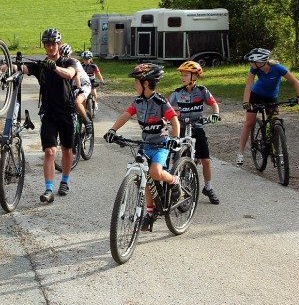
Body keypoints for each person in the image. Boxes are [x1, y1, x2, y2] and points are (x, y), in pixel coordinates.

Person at [104, 63, 181, 232]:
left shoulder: (160, 101)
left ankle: (175, 182)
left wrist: (174, 138)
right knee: (145, 176)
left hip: (161, 144)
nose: (134, 85)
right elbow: (126, 114)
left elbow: (174, 119)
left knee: (155, 172)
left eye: (136, 82)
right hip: (145, 145)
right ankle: (150, 213)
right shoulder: (138, 101)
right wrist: (112, 130)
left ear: (145, 83)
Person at [20, 28, 77, 203]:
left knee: (67, 149)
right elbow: (22, 68)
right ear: (44, 46)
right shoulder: (41, 66)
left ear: (59, 45)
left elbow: (70, 74)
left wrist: (56, 67)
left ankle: (65, 181)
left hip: (67, 112)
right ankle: (49, 189)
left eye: (54, 44)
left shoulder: (69, 61)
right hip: (49, 114)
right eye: (47, 44)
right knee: (49, 152)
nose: (51, 47)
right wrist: (5, 65)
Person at [237, 48, 299, 165]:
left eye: (251, 61)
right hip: (256, 95)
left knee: (276, 121)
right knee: (249, 122)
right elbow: (249, 85)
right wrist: (246, 102)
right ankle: (240, 153)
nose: (250, 64)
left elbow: (295, 81)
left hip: (271, 97)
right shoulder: (254, 69)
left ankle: (277, 150)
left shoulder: (278, 68)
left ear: (260, 62)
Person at [168, 61, 221, 204]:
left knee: (206, 160)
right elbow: (166, 107)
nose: (182, 77)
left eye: (186, 75)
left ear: (195, 76)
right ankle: (175, 185)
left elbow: (213, 103)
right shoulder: (177, 93)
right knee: (174, 158)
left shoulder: (202, 91)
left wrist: (215, 114)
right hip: (182, 128)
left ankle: (208, 188)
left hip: (197, 128)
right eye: (181, 75)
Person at [59, 43, 93, 135]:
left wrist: (79, 89)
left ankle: (87, 123)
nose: (64, 58)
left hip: (83, 84)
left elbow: (77, 76)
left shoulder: (75, 62)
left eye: (66, 56)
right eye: (62, 56)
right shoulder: (60, 63)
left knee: (77, 102)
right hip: (72, 85)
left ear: (69, 55)